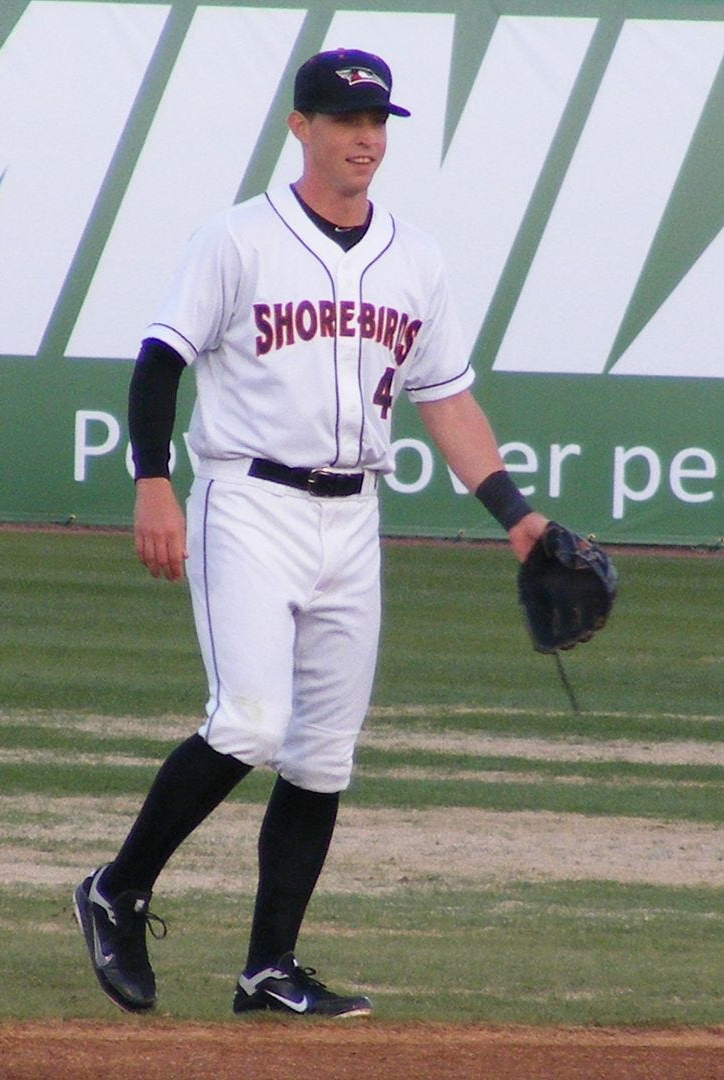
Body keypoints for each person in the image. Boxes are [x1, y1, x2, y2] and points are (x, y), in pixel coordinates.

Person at [73, 47, 548, 1019]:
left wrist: (516, 513)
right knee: (249, 722)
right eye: (343, 120)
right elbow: (160, 361)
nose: (364, 139)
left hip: (351, 518)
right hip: (247, 502)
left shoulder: (414, 259)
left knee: (322, 755)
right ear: (301, 127)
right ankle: (115, 887)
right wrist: (153, 483)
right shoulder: (238, 240)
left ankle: (268, 971)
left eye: (375, 123)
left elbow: (447, 399)